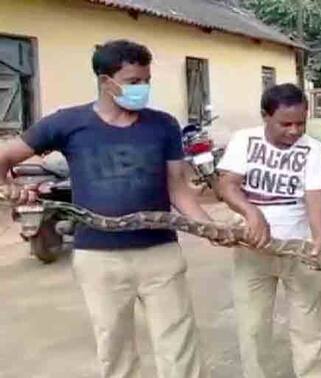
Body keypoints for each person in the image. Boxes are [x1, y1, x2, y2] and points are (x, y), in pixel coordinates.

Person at [0, 40, 214, 377]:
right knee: (114, 348)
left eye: (146, 80)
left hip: (160, 252)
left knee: (178, 344)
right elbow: (5, 157)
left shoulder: (164, 125)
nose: (142, 89)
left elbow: (178, 188)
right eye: (133, 82)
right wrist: (9, 188)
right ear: (105, 82)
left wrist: (210, 227)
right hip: (99, 257)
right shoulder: (67, 123)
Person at [216, 83, 321, 378]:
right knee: (252, 329)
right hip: (252, 249)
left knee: (311, 329)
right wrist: (251, 213)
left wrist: (319, 240)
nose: (294, 131)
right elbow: (227, 185)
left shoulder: (313, 149)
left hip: (300, 249)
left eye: (301, 123)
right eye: (286, 124)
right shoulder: (244, 140)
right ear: (265, 116)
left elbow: (316, 196)